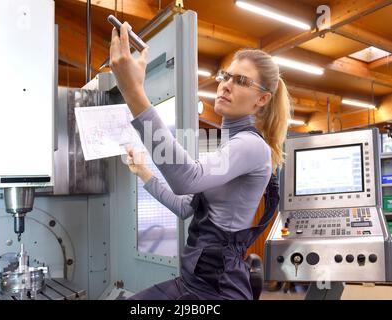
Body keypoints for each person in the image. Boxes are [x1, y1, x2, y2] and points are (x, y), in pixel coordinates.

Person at [110, 22, 291, 300]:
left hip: (218, 290)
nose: (226, 85)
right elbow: (185, 206)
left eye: (241, 81)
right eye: (226, 76)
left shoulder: (251, 146)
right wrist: (144, 172)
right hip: (193, 283)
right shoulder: (230, 146)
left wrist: (132, 90)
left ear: (262, 99)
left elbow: (185, 179)